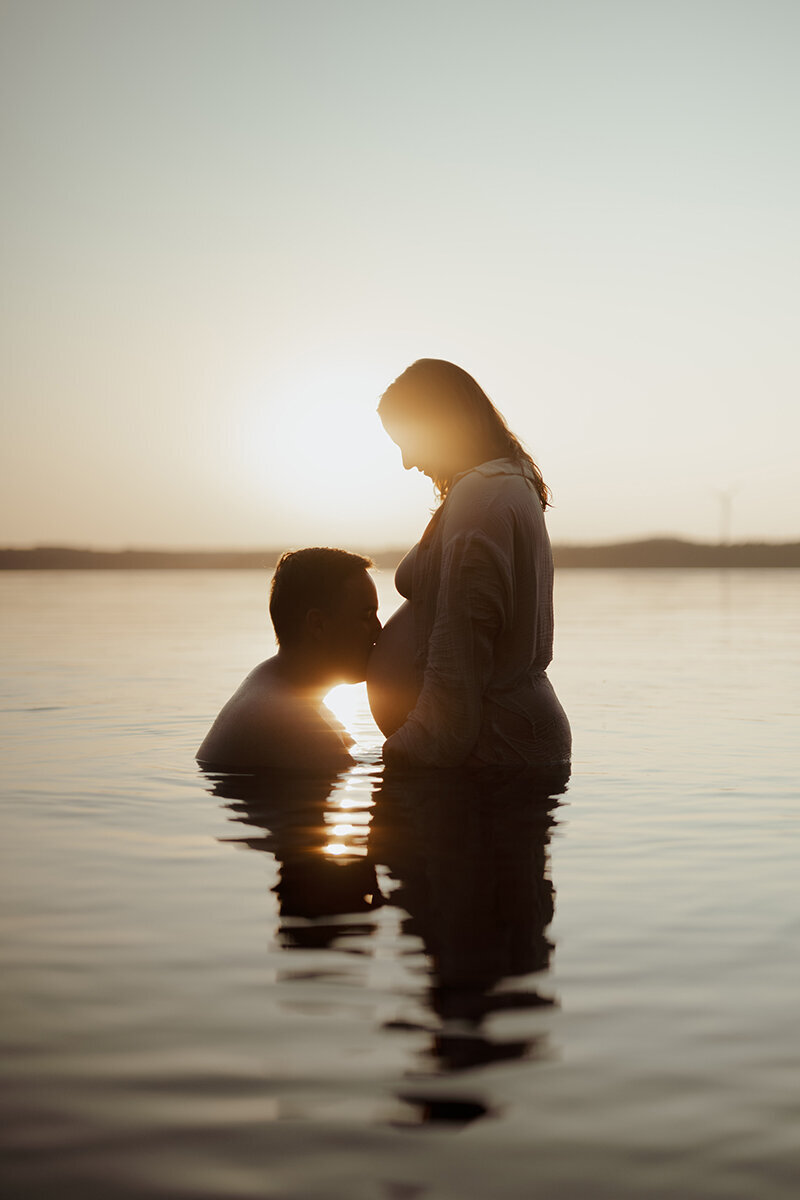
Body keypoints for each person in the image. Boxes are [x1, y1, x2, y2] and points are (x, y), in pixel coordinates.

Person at [366, 358, 571, 770]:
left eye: (407, 440)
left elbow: (455, 684)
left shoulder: (482, 501)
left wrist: (398, 760)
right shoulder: (502, 484)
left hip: (490, 754)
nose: (406, 461)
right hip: (495, 748)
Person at [197, 548, 381, 773]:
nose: (378, 629)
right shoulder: (288, 719)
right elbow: (348, 770)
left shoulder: (284, 690)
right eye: (367, 616)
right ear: (318, 625)